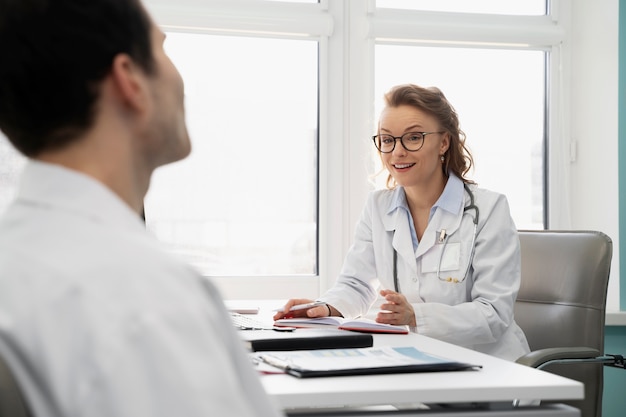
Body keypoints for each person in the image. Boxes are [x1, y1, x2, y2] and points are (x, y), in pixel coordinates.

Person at [0, 1, 283, 416]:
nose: (180, 79)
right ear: (129, 80)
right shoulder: (145, 299)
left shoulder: (16, 257)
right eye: (163, 49)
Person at [275, 83, 530, 361]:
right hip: (413, 359)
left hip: (487, 367)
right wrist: (323, 308)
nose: (397, 152)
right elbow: (356, 284)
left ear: (443, 142)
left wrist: (415, 316)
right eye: (387, 140)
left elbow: (494, 313)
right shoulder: (378, 207)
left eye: (413, 138)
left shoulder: (488, 209)